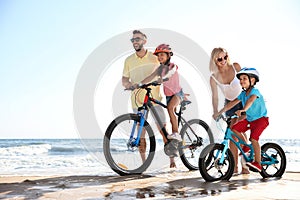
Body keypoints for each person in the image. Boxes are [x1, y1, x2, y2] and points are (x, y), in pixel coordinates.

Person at [122, 30, 177, 168]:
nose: (135, 42)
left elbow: (163, 71)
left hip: (154, 98)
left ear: (144, 40)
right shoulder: (128, 60)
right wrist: (129, 84)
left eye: (138, 39)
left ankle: (172, 161)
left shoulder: (154, 57)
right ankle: (143, 165)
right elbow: (124, 79)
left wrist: (163, 80)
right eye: (133, 40)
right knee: (141, 134)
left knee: (162, 129)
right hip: (137, 101)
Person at [213, 67, 269, 172]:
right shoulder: (243, 94)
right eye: (240, 79)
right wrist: (219, 112)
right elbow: (233, 102)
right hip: (250, 120)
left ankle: (258, 162)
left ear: (252, 80)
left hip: (261, 119)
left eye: (244, 78)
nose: (241, 81)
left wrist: (243, 110)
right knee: (234, 129)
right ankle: (246, 146)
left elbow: (251, 100)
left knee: (254, 139)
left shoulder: (255, 91)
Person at [209, 47, 249, 174]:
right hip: (229, 105)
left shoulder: (235, 67)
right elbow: (215, 96)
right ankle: (235, 167)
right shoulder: (214, 77)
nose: (223, 60)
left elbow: (247, 83)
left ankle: (245, 165)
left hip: (242, 102)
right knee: (232, 135)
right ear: (214, 60)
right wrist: (215, 111)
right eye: (219, 59)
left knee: (238, 130)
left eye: (225, 57)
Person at [141, 44, 184, 142]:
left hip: (177, 93)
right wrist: (138, 84)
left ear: (168, 56)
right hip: (168, 96)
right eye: (158, 55)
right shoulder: (159, 69)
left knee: (170, 108)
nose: (160, 57)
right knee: (171, 114)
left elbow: (172, 72)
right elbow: (150, 77)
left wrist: (164, 78)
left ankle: (176, 133)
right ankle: (175, 141)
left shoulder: (172, 66)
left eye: (162, 55)